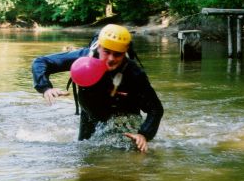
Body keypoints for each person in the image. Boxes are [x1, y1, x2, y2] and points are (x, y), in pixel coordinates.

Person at [31, 24, 163, 152]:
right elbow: (41, 62)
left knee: (131, 153)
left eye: (117, 54)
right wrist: (46, 88)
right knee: (84, 151)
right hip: (90, 112)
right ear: (99, 46)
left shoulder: (134, 73)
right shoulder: (83, 57)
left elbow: (155, 109)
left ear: (124, 53)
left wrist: (144, 134)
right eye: (106, 52)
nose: (111, 59)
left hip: (125, 113)